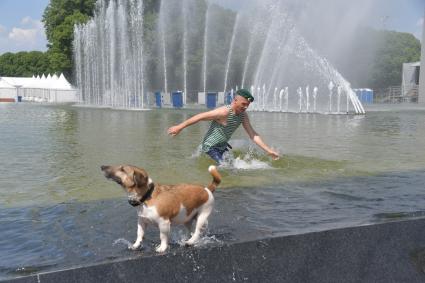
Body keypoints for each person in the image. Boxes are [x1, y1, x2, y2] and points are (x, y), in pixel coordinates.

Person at [167, 89, 280, 164]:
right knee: (227, 168)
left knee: (233, 165)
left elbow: (253, 134)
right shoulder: (223, 112)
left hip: (222, 146)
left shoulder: (243, 115)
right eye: (243, 104)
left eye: (247, 105)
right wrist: (179, 127)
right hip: (210, 147)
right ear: (235, 101)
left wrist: (268, 150)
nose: (245, 107)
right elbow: (199, 116)